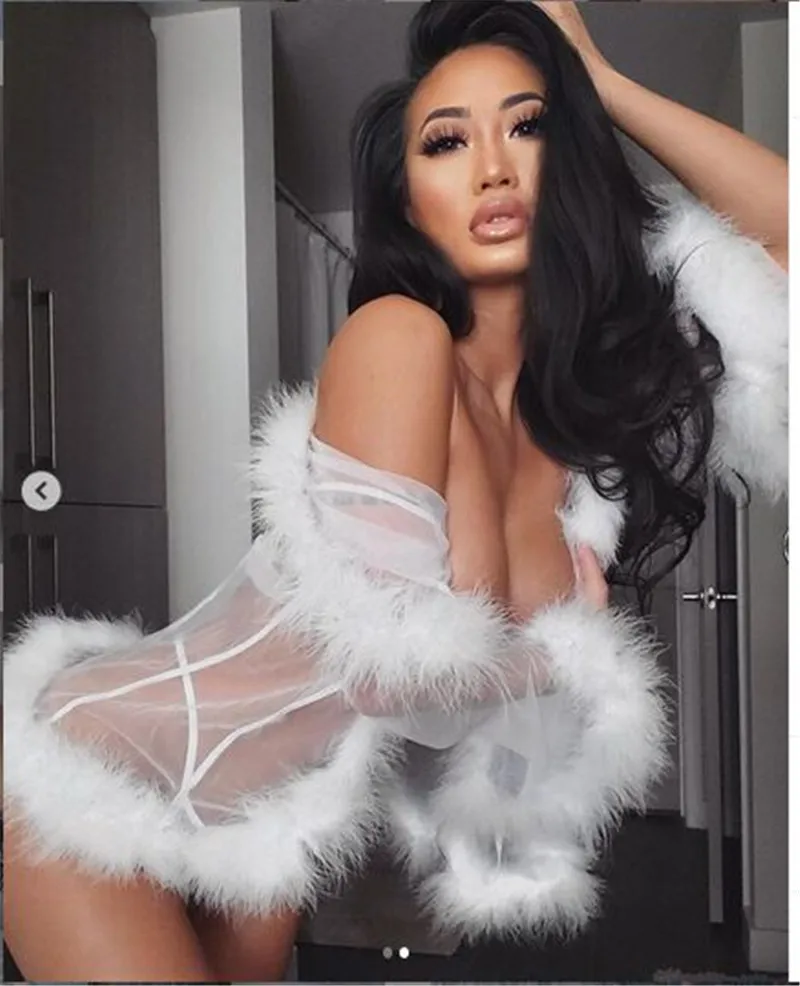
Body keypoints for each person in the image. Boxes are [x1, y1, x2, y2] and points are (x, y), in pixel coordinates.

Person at [3, 2, 787, 982]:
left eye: (528, 126)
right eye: (446, 142)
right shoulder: (399, 338)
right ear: (409, 201)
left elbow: (786, 248)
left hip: (273, 816)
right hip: (99, 765)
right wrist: (557, 654)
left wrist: (600, 82)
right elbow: (384, 674)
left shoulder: (574, 429)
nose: (492, 168)